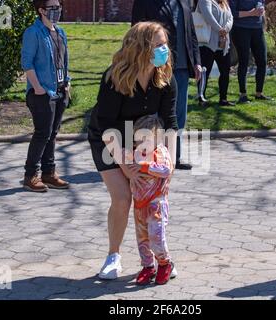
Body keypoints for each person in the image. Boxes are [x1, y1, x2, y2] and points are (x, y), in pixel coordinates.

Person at [87, 22, 178, 280]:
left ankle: (162, 260)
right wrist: (125, 162)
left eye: (165, 44)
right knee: (123, 197)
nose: (165, 50)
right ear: (141, 48)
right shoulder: (115, 77)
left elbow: (170, 123)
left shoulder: (165, 78)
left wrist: (169, 163)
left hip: (145, 144)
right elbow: (105, 125)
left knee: (152, 203)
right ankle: (113, 256)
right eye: (158, 45)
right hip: (108, 140)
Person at [132, 0, 202, 170]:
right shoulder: (144, 3)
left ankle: (174, 157)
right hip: (156, 68)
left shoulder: (184, 2)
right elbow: (136, 35)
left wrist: (197, 62)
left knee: (178, 115)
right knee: (155, 114)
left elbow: (190, 32)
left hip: (182, 68)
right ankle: (150, 157)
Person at [21, 0, 71, 192]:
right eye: (51, 8)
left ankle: (49, 173)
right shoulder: (33, 33)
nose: (56, 11)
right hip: (42, 93)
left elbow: (63, 60)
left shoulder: (60, 32)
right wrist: (38, 88)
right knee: (42, 133)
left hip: (60, 90)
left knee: (53, 133)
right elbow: (27, 63)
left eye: (58, 7)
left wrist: (67, 82)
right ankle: (30, 175)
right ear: (41, 10)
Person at [125, 115, 176, 285]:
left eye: (146, 140)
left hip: (156, 203)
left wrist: (144, 167)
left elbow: (166, 170)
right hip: (139, 203)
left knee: (156, 236)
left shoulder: (160, 152)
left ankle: (164, 263)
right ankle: (148, 266)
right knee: (142, 238)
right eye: (139, 140)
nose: (142, 144)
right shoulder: (136, 153)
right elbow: (129, 166)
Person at [230, 0, 272, 104]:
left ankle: (259, 93)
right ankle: (243, 95)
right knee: (244, 61)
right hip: (241, 29)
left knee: (262, 61)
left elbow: (261, 6)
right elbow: (233, 13)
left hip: (257, 29)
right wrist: (251, 13)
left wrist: (262, 13)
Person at [196, 0, 234, 107]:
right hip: (208, 43)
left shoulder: (224, 2)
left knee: (225, 71)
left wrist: (226, 29)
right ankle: (201, 98)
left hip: (223, 44)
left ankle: (223, 99)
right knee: (204, 73)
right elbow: (208, 15)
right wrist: (220, 29)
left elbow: (230, 17)